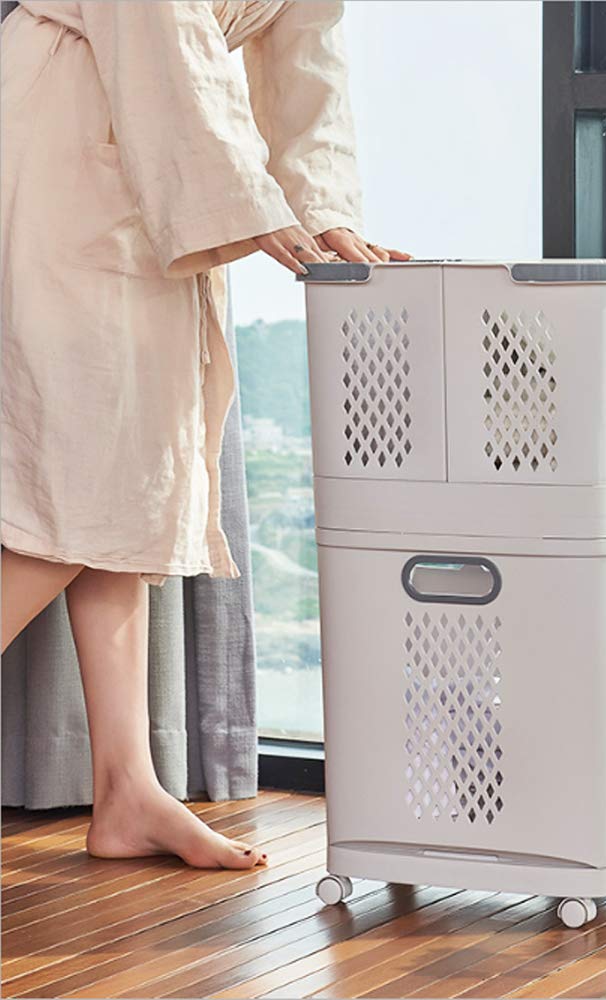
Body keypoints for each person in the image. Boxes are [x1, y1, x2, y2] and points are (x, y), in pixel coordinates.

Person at [0, 0, 408, 869]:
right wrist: (247, 196)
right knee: (82, 467)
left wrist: (322, 203)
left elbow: (308, 46)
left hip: (157, 144)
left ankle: (127, 791)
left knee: (136, 463)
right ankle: (125, 788)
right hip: (70, 130)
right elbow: (154, 20)